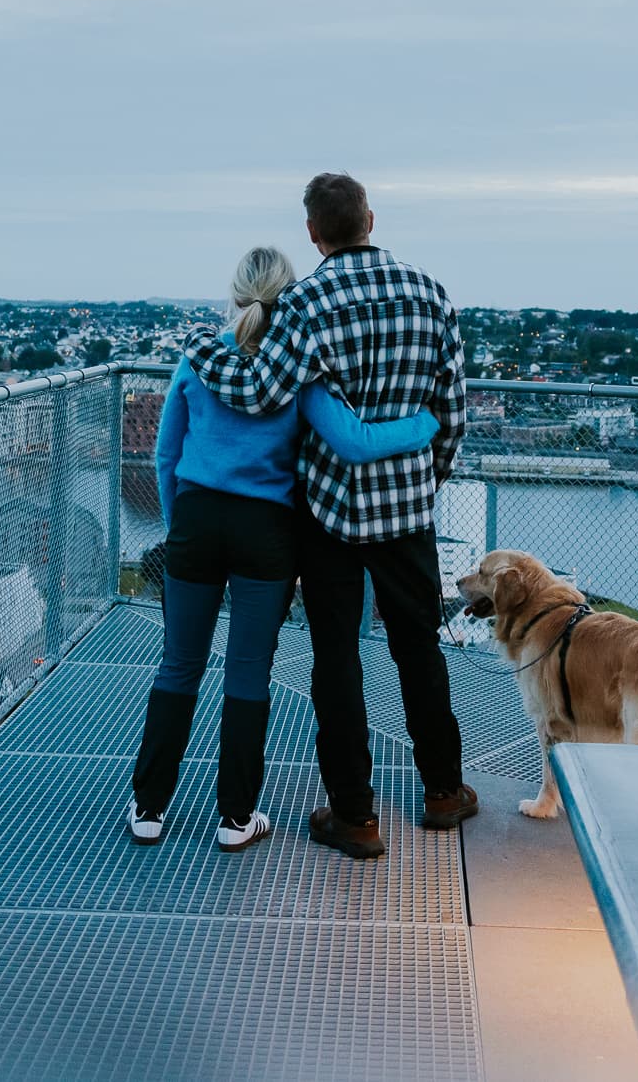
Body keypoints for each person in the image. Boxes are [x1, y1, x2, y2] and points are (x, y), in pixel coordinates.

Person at [176, 173, 472, 861]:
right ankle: (443, 790)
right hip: (406, 513)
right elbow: (452, 411)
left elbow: (257, 390)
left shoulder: (305, 302)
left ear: (313, 232)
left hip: (330, 513)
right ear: (371, 216)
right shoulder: (432, 293)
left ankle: (354, 814)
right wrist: (427, 480)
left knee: (336, 660)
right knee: (419, 648)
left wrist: (198, 346)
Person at [130, 244, 441, 852]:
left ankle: (149, 809)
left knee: (178, 667)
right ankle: (235, 818)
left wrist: (178, 525)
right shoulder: (295, 371)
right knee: (247, 673)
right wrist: (424, 425)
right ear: (289, 298)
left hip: (196, 521)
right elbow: (351, 441)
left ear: (235, 293)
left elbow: (165, 455)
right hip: (266, 534)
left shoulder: (197, 358)